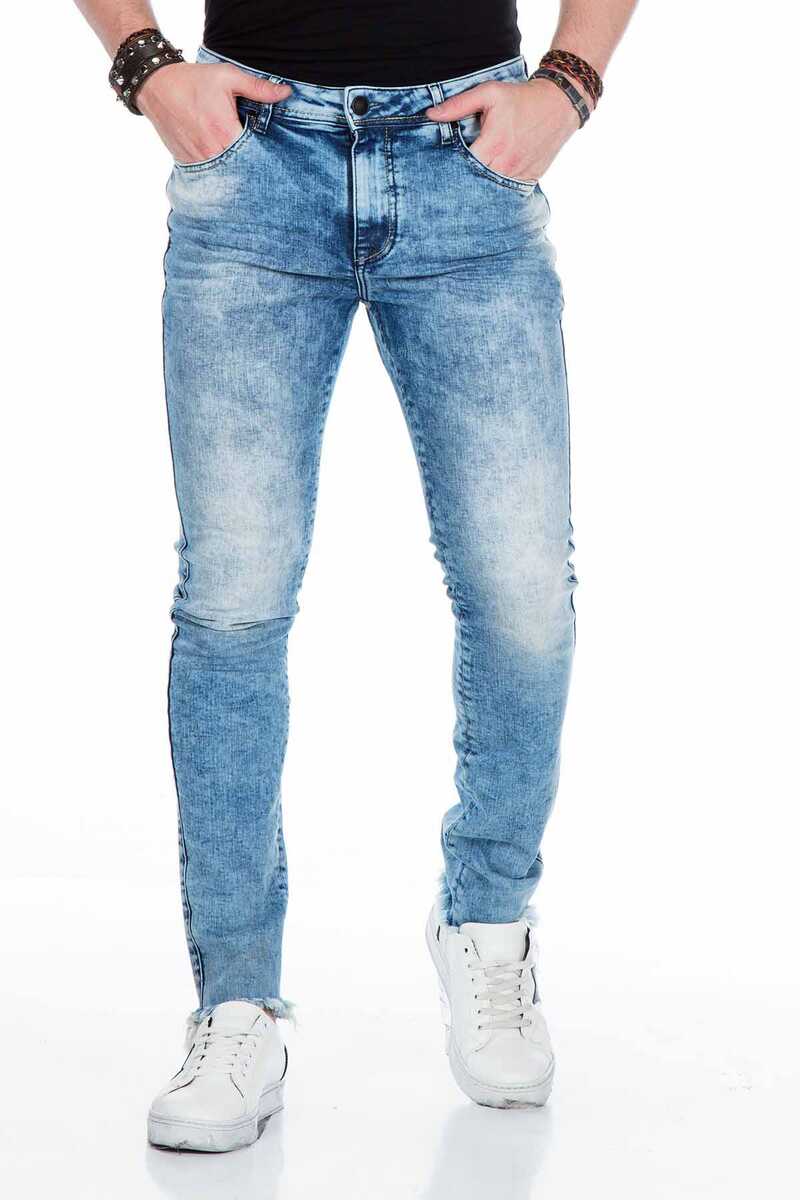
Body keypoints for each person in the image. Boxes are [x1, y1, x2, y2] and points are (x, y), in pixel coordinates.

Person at [75, 0, 636, 1152]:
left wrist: (569, 82)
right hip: (254, 160)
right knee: (233, 599)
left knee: (522, 589)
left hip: (464, 156)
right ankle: (235, 1004)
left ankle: (485, 921)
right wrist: (144, 64)